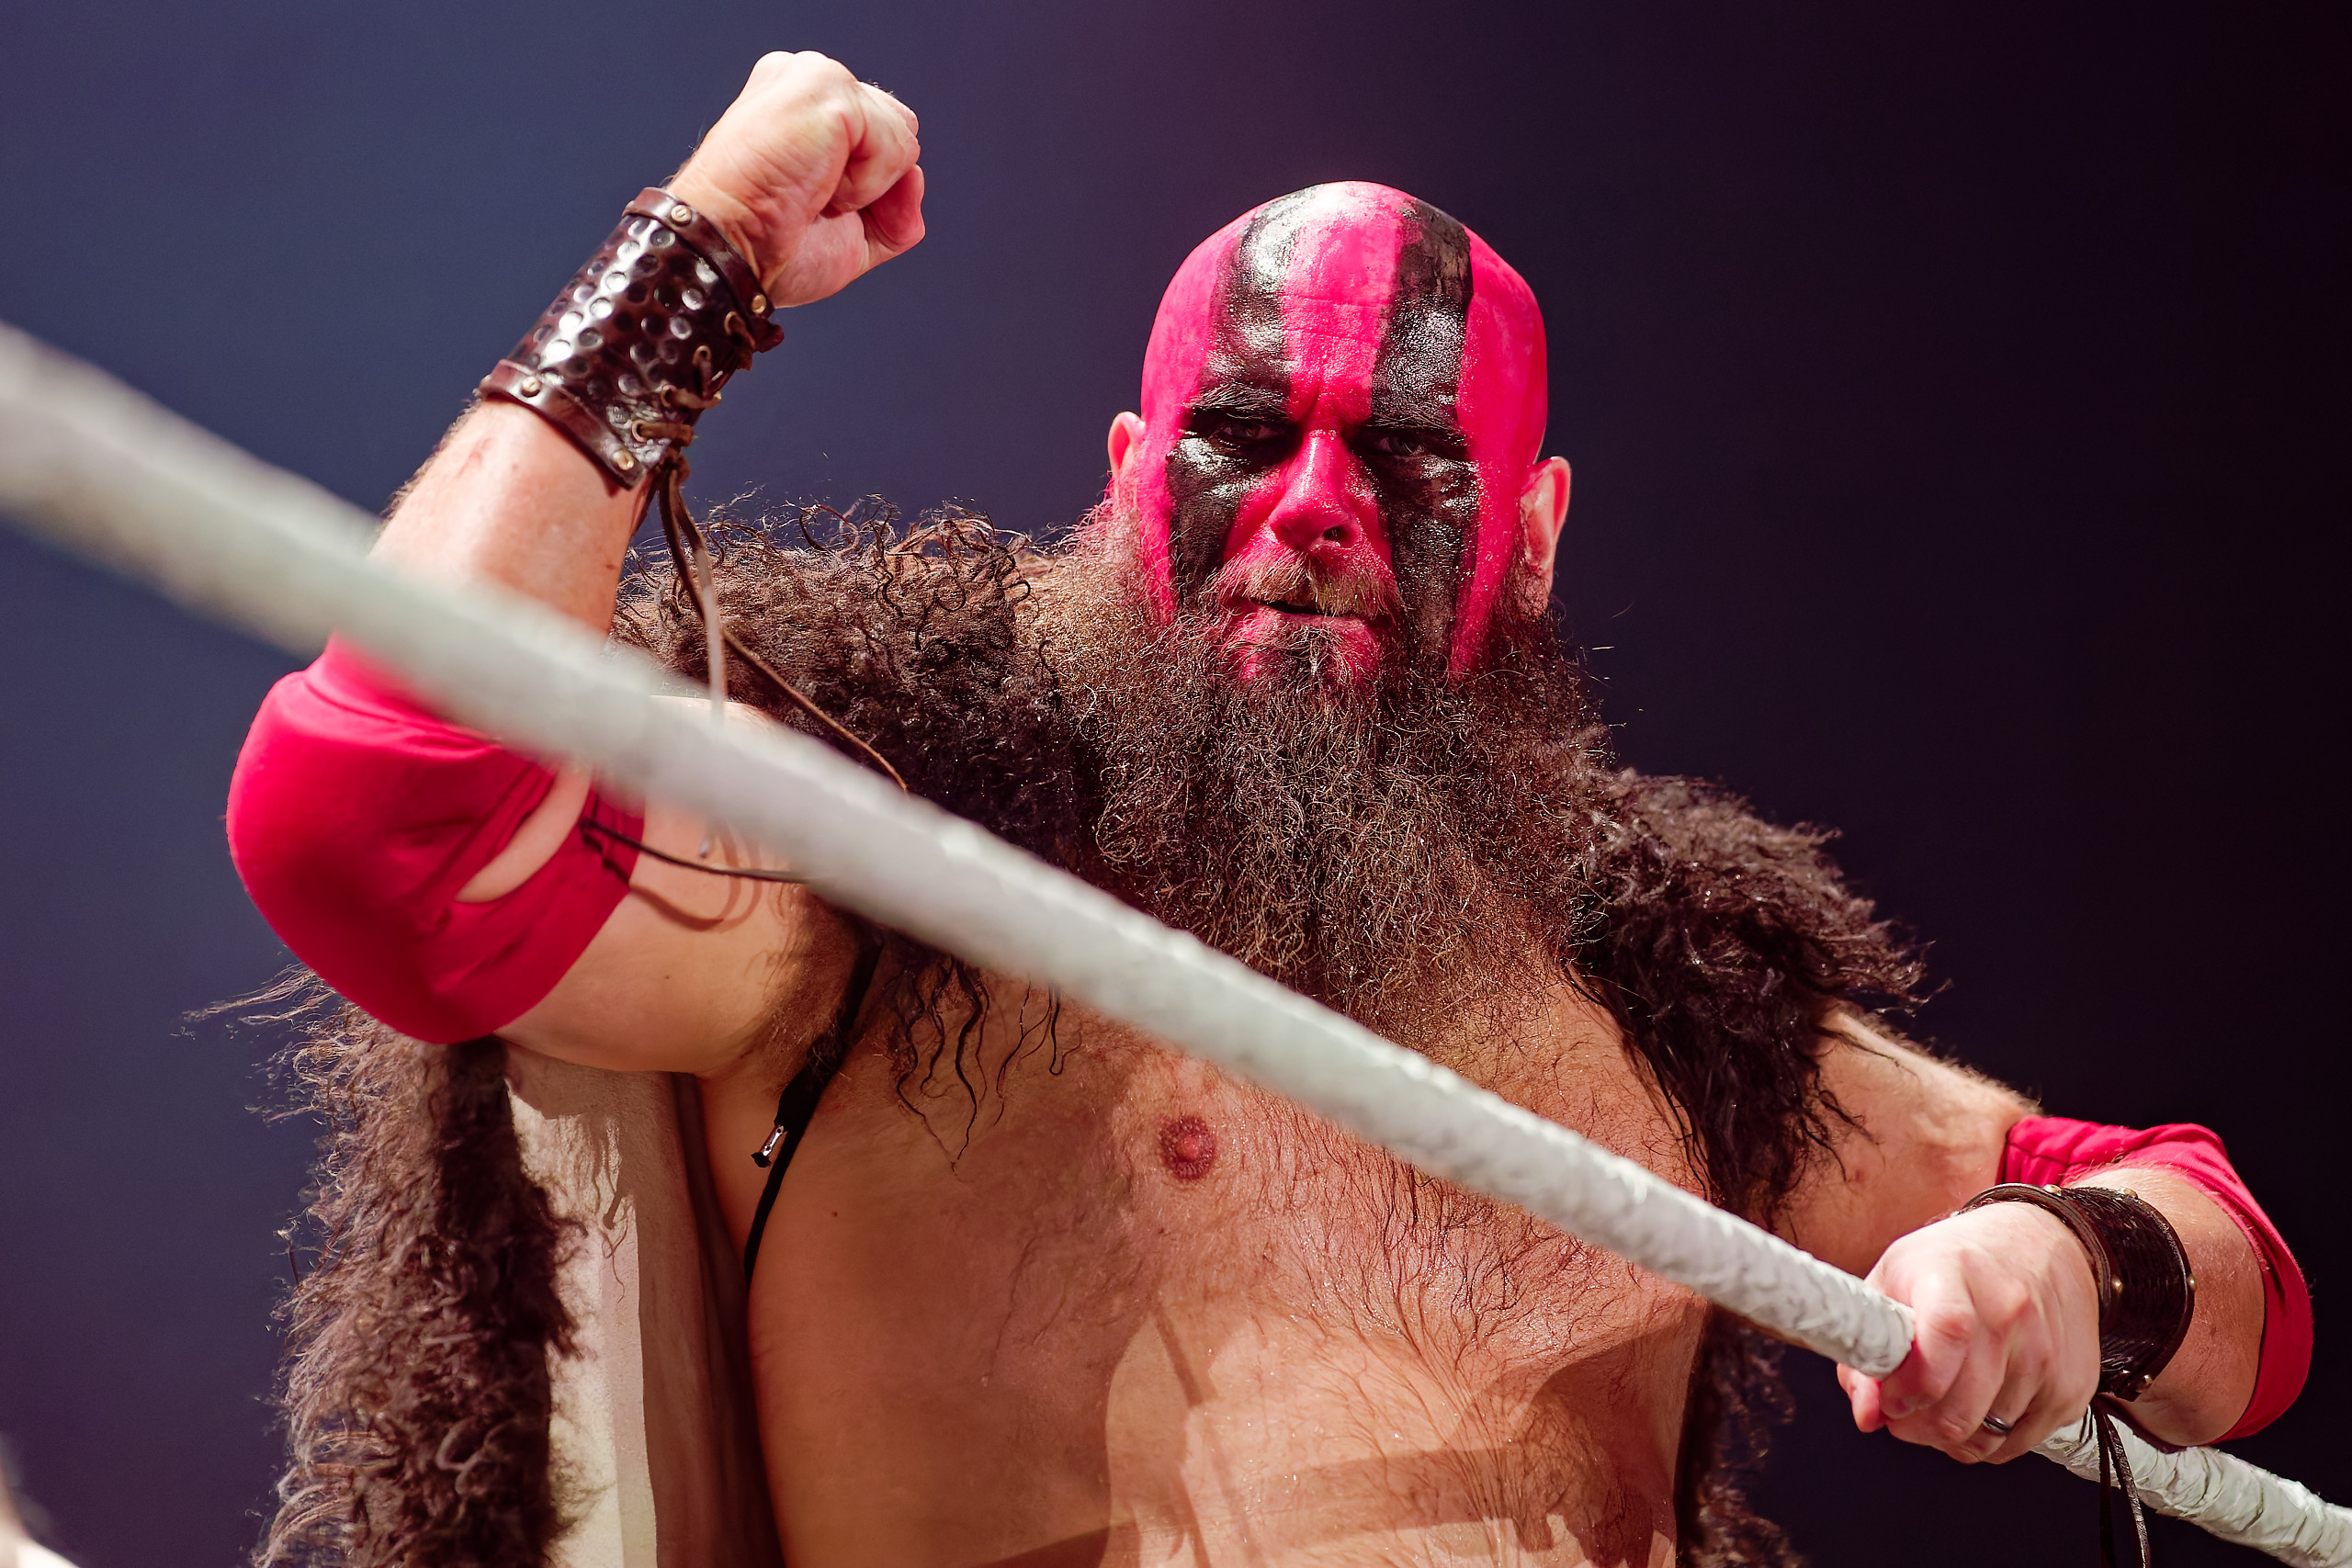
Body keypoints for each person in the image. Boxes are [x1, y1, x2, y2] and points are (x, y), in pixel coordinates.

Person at [224, 51, 2308, 1568]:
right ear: (1131, 480)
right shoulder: (902, 895)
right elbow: (378, 816)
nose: (1311, 510)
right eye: (1244, 435)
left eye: (1401, 459)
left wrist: (2069, 1264)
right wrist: (694, 259)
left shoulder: (1662, 1011)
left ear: (1530, 544)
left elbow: (2229, 1280)